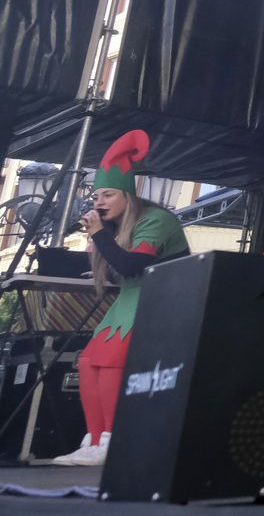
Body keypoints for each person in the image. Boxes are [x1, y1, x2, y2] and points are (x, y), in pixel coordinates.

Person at [53, 131, 189, 466]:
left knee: (112, 361)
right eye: (96, 195)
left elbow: (133, 264)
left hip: (163, 297)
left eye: (108, 194)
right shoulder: (117, 227)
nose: (99, 201)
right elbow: (123, 271)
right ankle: (94, 440)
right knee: (87, 362)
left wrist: (99, 234)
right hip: (131, 298)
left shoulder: (157, 220)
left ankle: (114, 440)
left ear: (129, 196)